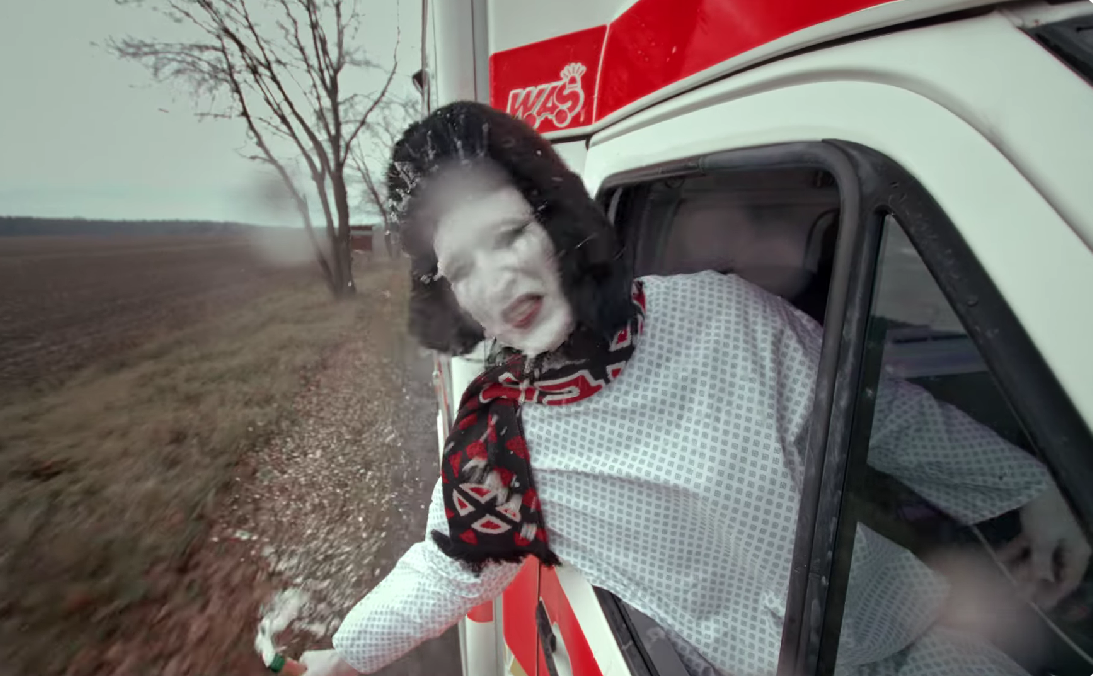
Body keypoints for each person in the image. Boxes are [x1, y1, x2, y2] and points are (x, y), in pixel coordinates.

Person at [282, 102, 1090, 676]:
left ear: (556, 220)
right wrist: (347, 657)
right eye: (461, 267)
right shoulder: (500, 444)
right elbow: (448, 568)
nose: (495, 282)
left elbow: (878, 418)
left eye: (510, 234)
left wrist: (1029, 490)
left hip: (910, 637)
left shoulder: (720, 313)